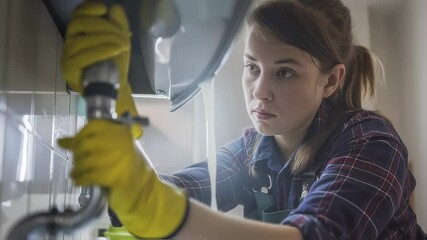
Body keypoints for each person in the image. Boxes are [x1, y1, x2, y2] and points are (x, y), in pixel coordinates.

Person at [59, 0, 427, 239]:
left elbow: (317, 235)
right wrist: (105, 100)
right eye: (252, 67)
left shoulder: (371, 144)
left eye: (284, 73)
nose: (259, 91)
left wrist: (160, 210)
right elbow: (167, 192)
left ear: (331, 80)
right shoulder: (251, 150)